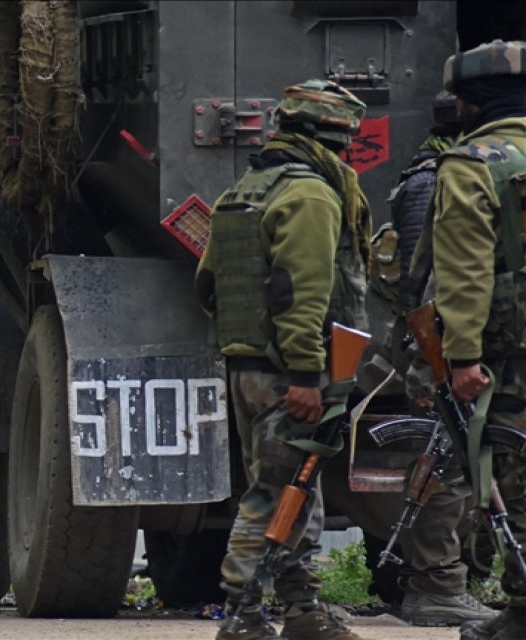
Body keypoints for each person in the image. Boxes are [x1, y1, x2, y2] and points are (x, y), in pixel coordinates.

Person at [196, 79, 372, 640]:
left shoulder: (244, 190)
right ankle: (242, 614)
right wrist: (305, 374)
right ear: (332, 137)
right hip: (288, 373)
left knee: (297, 485)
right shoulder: (311, 195)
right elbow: (301, 292)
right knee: (275, 491)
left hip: (248, 366)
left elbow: (207, 285)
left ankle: (302, 609)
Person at [409, 39, 524, 640]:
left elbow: (465, 271)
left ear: (470, 101)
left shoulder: (473, 163)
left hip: (509, 352)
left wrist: (463, 357)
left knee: (515, 474)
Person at [367, 91, 496, 628]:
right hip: (443, 343)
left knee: (461, 462)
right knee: (449, 464)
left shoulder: (430, 174)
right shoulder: (441, 179)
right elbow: (436, 281)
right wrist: (445, 358)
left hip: (444, 340)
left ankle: (445, 578)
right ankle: (437, 584)